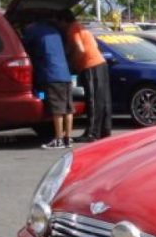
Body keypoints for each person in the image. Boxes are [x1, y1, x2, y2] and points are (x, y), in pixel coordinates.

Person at [58, 10, 111, 143]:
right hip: (101, 62)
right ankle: (104, 130)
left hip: (90, 65)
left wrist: (74, 63)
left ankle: (92, 133)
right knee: (103, 99)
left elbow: (80, 49)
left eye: (58, 22)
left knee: (92, 99)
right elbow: (94, 45)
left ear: (63, 21)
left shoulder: (73, 29)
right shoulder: (82, 27)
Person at [23, 20, 74, 149]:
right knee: (68, 109)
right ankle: (68, 138)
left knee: (57, 110)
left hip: (52, 75)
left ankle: (58, 139)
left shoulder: (32, 31)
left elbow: (24, 46)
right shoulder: (54, 30)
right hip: (65, 74)